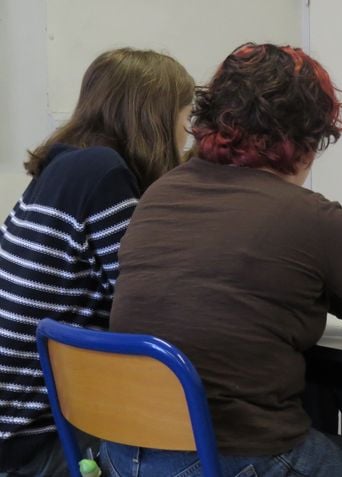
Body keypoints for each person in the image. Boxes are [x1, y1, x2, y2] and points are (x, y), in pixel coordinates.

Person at [103, 43, 342, 477]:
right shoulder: (308, 215)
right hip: (231, 458)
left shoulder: (160, 193)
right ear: (309, 138)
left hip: (121, 454)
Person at [0, 48, 194, 476]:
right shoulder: (103, 174)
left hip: (14, 429)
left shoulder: (61, 167)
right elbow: (147, 302)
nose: (188, 134)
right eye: (185, 118)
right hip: (43, 441)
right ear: (156, 119)